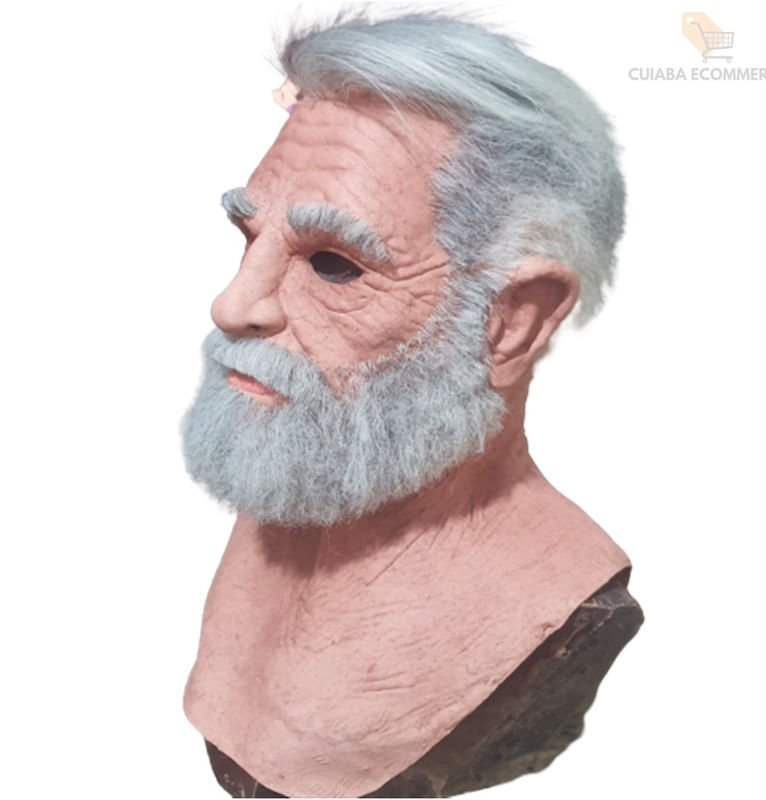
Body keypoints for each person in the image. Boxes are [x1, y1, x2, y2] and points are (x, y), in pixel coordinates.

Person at [181, 11, 641, 798]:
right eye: (249, 237)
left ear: (512, 320)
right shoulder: (304, 474)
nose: (233, 305)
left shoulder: (564, 603)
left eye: (333, 264)